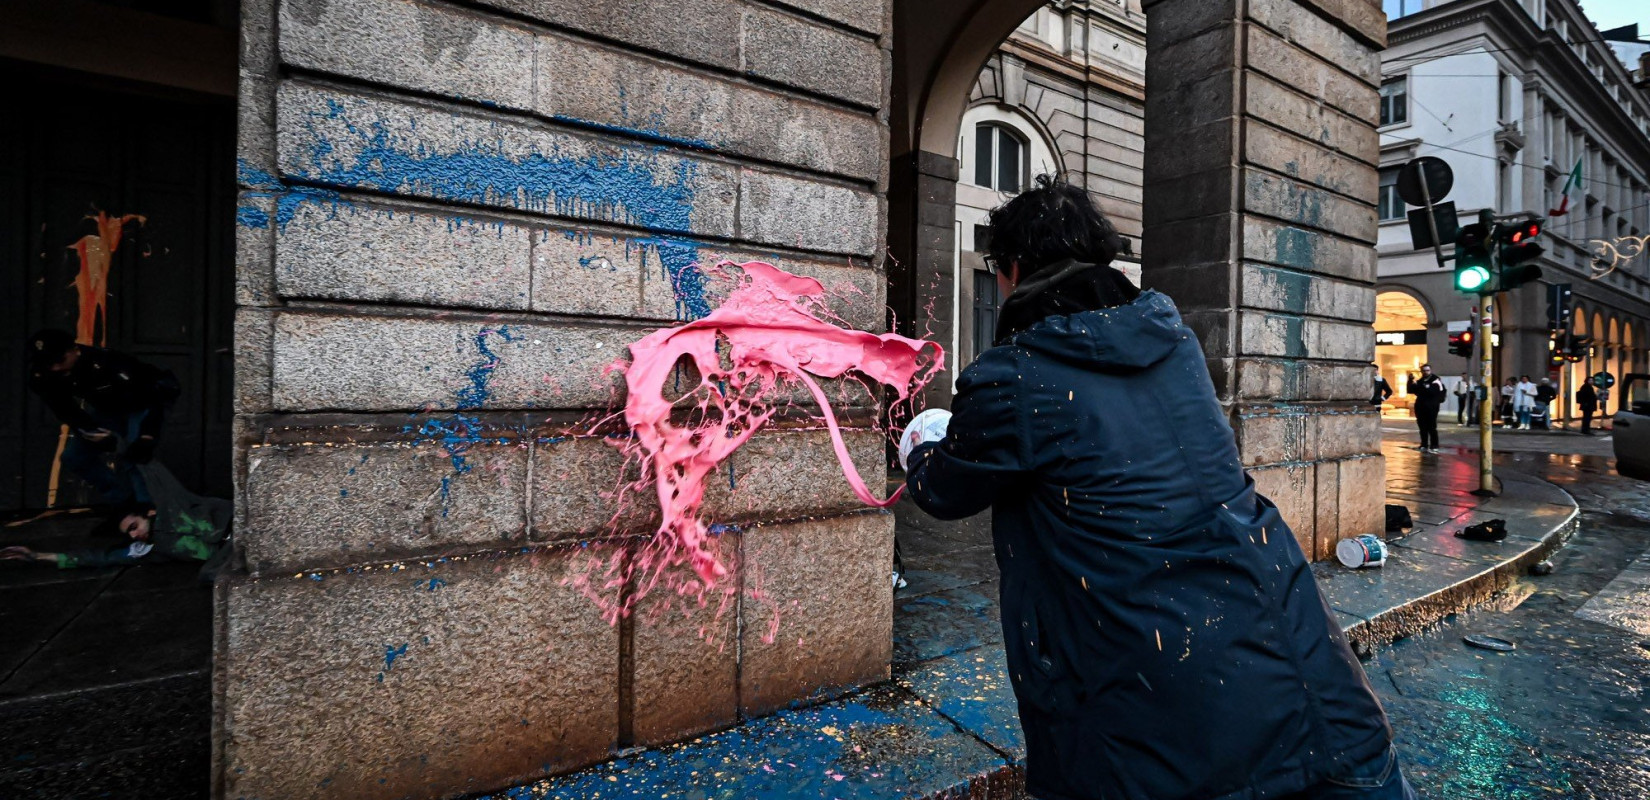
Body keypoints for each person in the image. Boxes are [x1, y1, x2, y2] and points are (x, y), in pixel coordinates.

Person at [901, 177, 1410, 800]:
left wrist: (924, 440)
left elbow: (944, 490)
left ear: (1010, 268)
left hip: (1156, 726)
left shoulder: (1015, 375)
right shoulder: (1174, 344)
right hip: (1308, 688)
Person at [0, 463, 229, 581]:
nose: (133, 534)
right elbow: (101, 558)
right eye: (128, 534)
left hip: (238, 522)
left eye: (133, 527)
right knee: (209, 575)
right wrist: (39, 556)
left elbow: (148, 465)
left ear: (147, 514)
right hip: (229, 551)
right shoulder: (151, 548)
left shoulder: (172, 504)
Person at [26, 329, 180, 504]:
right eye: (46, 363)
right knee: (74, 457)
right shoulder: (43, 375)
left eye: (59, 360)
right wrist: (90, 431)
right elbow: (65, 409)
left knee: (136, 453)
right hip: (109, 406)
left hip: (145, 399)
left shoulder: (108, 363)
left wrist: (147, 435)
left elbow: (153, 398)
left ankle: (146, 512)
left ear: (74, 350)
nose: (54, 367)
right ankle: (124, 506)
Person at [1410, 364, 1446, 452]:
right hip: (1420, 407)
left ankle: (1434, 445)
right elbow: (1412, 390)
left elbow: (1434, 392)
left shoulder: (1435, 380)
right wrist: (1410, 380)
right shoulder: (1420, 381)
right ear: (1421, 371)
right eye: (1424, 370)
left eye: (1428, 370)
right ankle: (1424, 444)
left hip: (1431, 407)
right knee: (1422, 427)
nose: (1426, 372)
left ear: (1430, 371)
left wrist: (1424, 388)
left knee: (1431, 426)